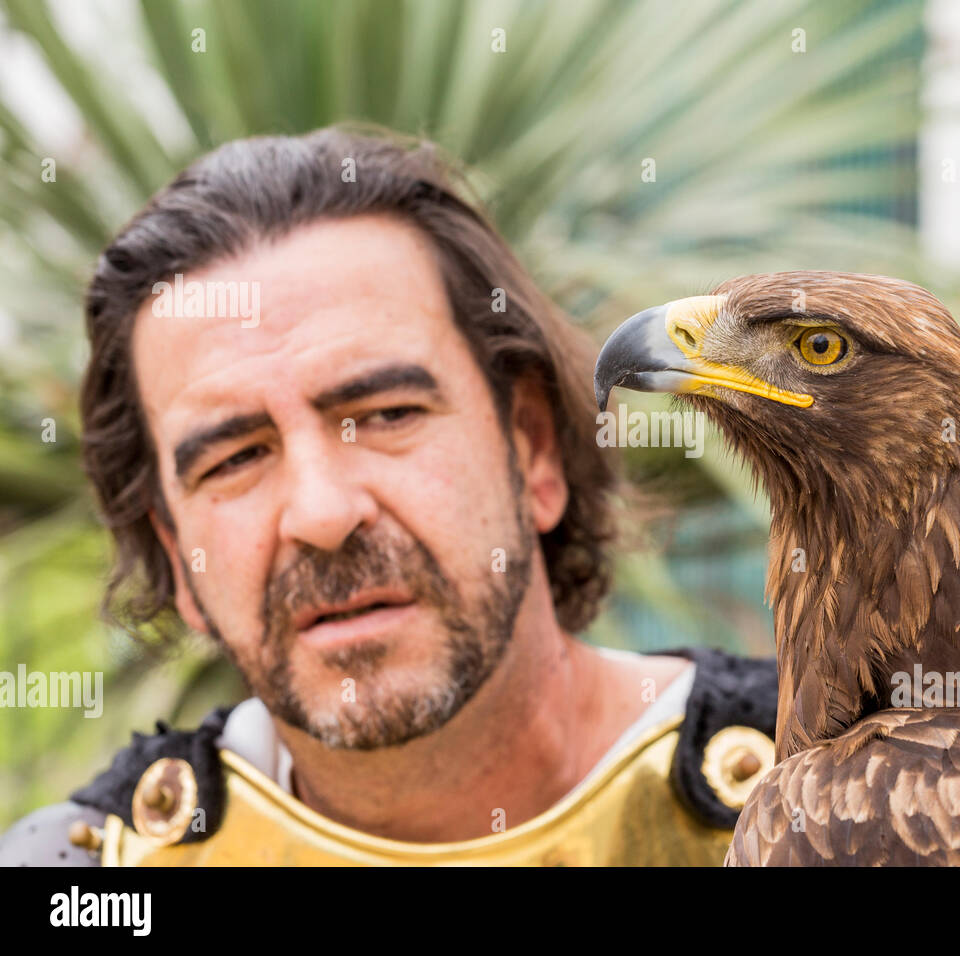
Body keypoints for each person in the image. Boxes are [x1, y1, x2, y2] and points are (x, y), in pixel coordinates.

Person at [0, 127, 775, 866]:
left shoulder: (851, 800)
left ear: (533, 450)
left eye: (384, 415)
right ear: (175, 555)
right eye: (235, 458)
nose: (324, 514)